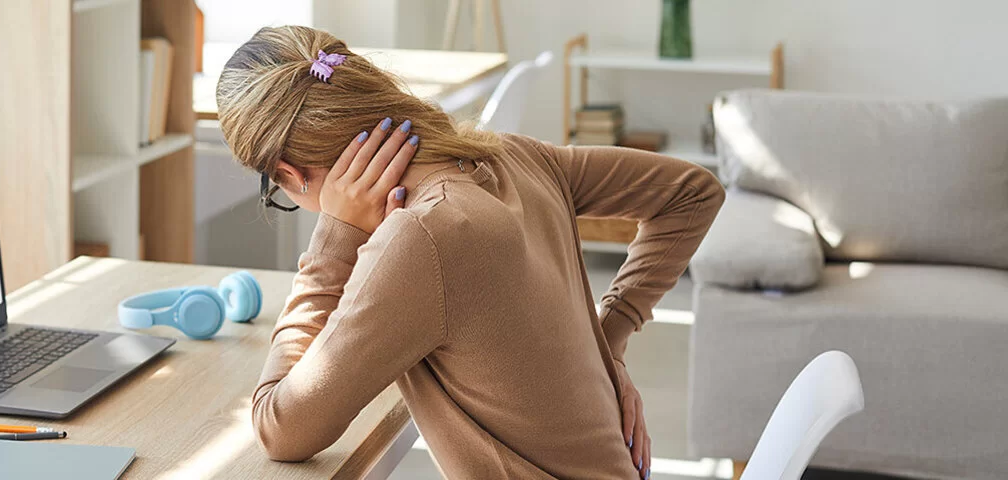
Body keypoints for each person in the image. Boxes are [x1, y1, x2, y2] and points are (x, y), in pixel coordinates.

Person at [215, 26, 724, 479]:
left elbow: (279, 428)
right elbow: (694, 191)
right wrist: (609, 340)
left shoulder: (420, 237)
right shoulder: (513, 155)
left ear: (287, 172)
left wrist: (334, 236)